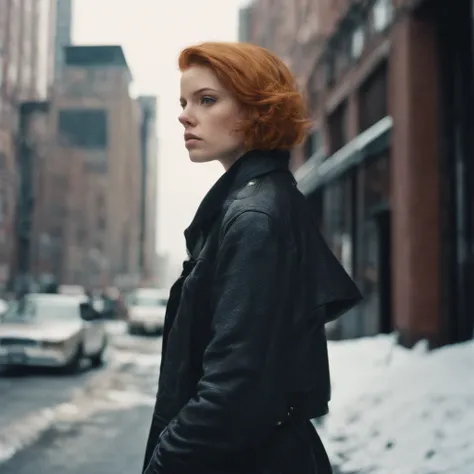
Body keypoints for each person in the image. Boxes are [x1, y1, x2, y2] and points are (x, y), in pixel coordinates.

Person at [142, 42, 362, 474]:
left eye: (207, 100)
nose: (185, 114)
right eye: (184, 102)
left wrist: (163, 466)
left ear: (257, 109)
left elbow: (234, 386)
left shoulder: (254, 216)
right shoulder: (254, 202)